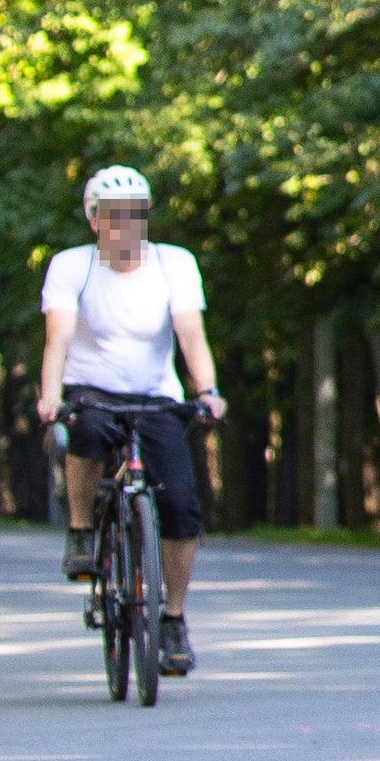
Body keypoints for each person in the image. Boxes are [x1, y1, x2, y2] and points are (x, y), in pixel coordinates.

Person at [38, 165, 225, 677]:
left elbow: (191, 334)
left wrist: (206, 391)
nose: (126, 227)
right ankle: (80, 530)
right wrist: (50, 397)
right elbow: (57, 338)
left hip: (154, 396)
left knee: (182, 507)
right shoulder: (72, 266)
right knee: (89, 431)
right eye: (114, 217)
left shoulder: (174, 264)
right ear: (94, 220)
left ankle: (173, 619)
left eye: (135, 216)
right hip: (91, 390)